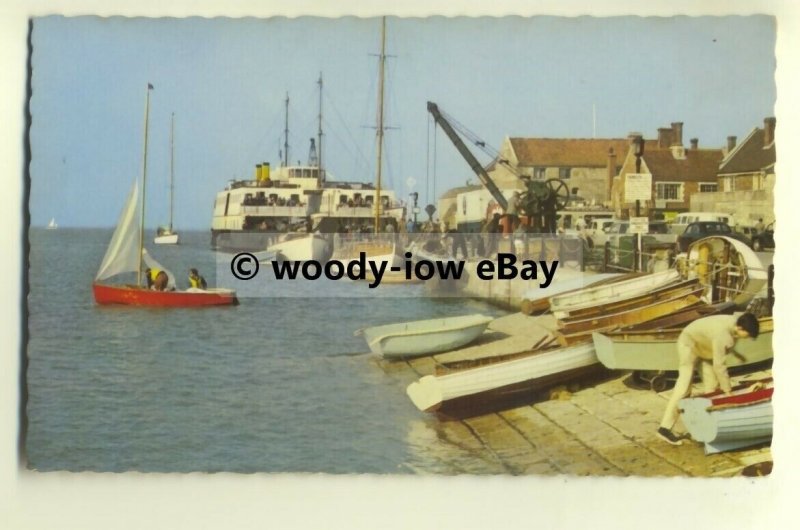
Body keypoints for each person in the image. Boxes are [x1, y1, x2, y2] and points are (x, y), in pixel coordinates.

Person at [656, 313, 760, 445]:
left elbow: (724, 345)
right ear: (740, 328)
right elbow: (720, 366)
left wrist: (737, 355)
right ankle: (664, 429)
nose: (748, 338)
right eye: (748, 335)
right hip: (688, 344)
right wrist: (728, 391)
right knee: (684, 387)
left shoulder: (737, 321)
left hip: (704, 347)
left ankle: (704, 426)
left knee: (711, 388)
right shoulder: (723, 335)